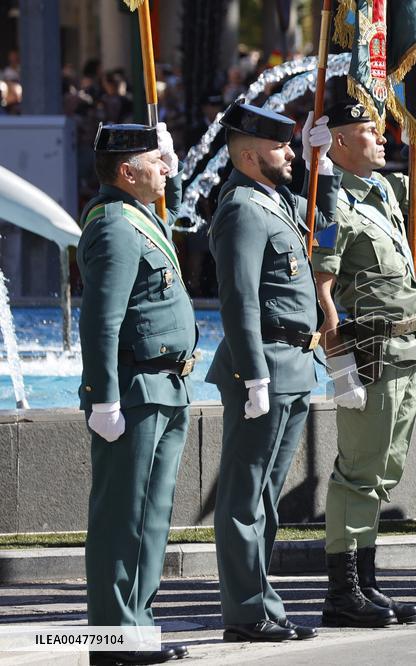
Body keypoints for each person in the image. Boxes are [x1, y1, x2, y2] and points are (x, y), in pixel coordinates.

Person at [207, 100, 332, 642]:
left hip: (295, 365)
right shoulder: (240, 207)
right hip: (265, 367)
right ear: (251, 153)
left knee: (265, 497)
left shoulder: (275, 200)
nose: (290, 153)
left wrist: (320, 168)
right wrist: (254, 373)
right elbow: (238, 299)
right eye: (282, 147)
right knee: (244, 495)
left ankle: (263, 600)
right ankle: (245, 611)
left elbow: (323, 233)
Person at [312, 100, 416, 628]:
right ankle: (343, 592)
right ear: (339, 142)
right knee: (359, 474)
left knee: (384, 472)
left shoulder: (382, 190)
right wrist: (340, 368)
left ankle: (366, 581)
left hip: (407, 349)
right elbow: (322, 285)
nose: (382, 138)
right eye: (370, 130)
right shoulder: (328, 201)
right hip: (367, 353)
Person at [79, 122, 196, 664]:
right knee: (121, 519)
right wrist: (103, 398)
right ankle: (112, 636)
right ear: (126, 172)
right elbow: (101, 322)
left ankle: (137, 625)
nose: (167, 169)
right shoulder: (114, 227)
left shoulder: (139, 217)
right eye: (156, 161)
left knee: (150, 519)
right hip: (134, 390)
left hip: (165, 386)